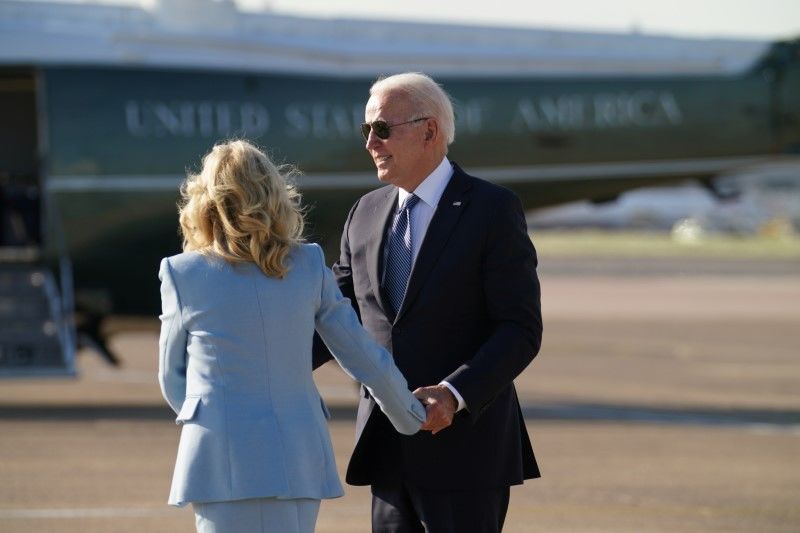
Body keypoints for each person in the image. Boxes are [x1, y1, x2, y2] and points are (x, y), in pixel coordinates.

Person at [157, 139, 427, 533]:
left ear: (206, 200)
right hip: (297, 454)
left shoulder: (181, 272)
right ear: (274, 194)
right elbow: (359, 353)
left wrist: (212, 418)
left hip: (218, 459)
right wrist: (411, 415)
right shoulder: (308, 262)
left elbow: (171, 378)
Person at [313, 72, 543, 532]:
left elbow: (519, 329)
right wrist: (265, 369)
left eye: (382, 129)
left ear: (429, 131)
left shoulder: (491, 209)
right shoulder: (364, 212)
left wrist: (454, 394)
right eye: (366, 130)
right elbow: (334, 316)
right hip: (385, 447)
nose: (371, 143)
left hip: (465, 451)